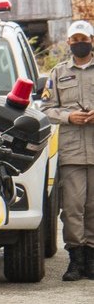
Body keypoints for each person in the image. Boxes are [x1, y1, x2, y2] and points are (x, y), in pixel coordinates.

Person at [43, 19, 94, 281]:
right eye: (75, 40)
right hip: (72, 151)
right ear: (68, 43)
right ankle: (76, 259)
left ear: (92, 41)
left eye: (84, 39)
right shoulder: (58, 73)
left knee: (93, 208)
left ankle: (91, 259)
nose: (79, 43)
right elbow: (46, 109)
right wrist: (69, 116)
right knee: (73, 208)